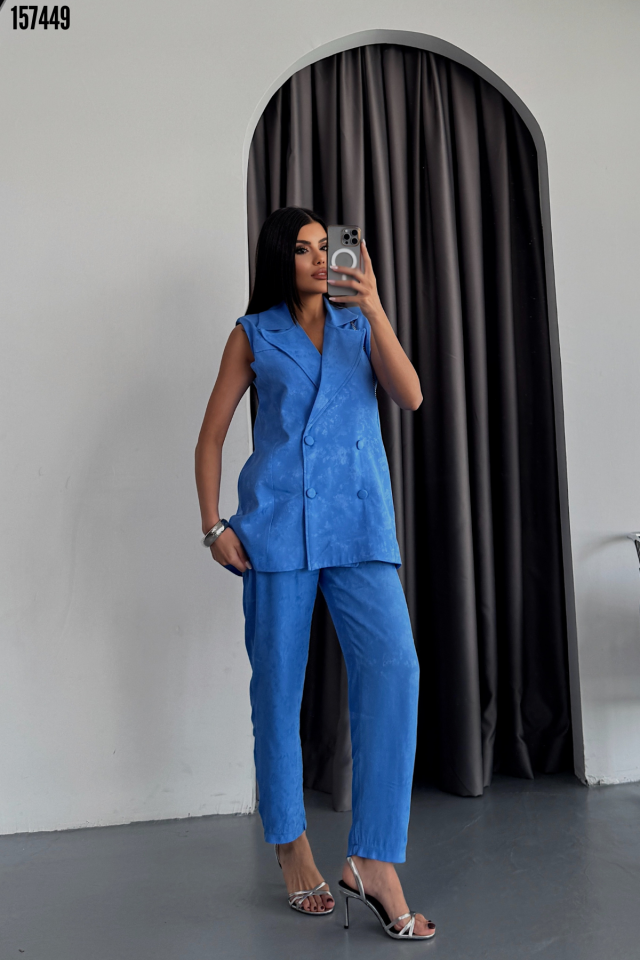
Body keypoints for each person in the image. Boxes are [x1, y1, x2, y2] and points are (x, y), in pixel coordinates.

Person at [194, 206, 436, 941]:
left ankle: (373, 860)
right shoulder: (253, 333)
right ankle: (291, 845)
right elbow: (210, 437)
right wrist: (213, 527)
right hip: (276, 529)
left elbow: (411, 394)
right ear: (280, 258)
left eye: (324, 246)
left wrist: (376, 305)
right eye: (303, 249)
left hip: (359, 522)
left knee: (395, 668)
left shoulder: (360, 323)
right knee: (277, 688)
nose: (319, 258)